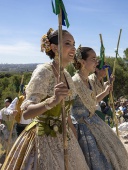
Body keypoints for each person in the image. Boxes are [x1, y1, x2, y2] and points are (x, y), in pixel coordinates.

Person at [2, 29, 89, 170]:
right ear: (54, 48)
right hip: (43, 138)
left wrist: (73, 136)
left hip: (66, 139)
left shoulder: (66, 75)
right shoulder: (44, 71)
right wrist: (53, 100)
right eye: (68, 43)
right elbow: (27, 112)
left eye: (74, 44)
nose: (73, 48)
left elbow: (66, 114)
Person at [71, 46, 128, 170]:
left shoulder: (88, 81)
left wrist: (106, 89)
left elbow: (92, 99)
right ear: (82, 62)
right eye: (93, 59)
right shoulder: (75, 81)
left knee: (115, 148)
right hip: (80, 126)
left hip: (92, 120)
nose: (96, 62)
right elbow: (70, 106)